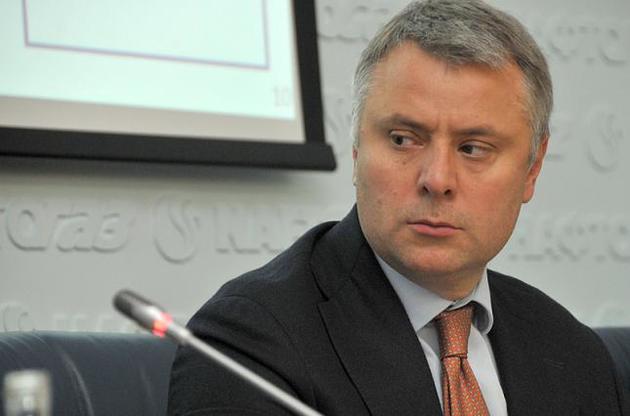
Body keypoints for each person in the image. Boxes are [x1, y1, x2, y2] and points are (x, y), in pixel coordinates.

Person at [168, 1, 629, 415]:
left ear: (532, 168)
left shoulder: (575, 356)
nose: (437, 180)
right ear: (356, 149)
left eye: (473, 148)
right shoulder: (249, 343)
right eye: (404, 140)